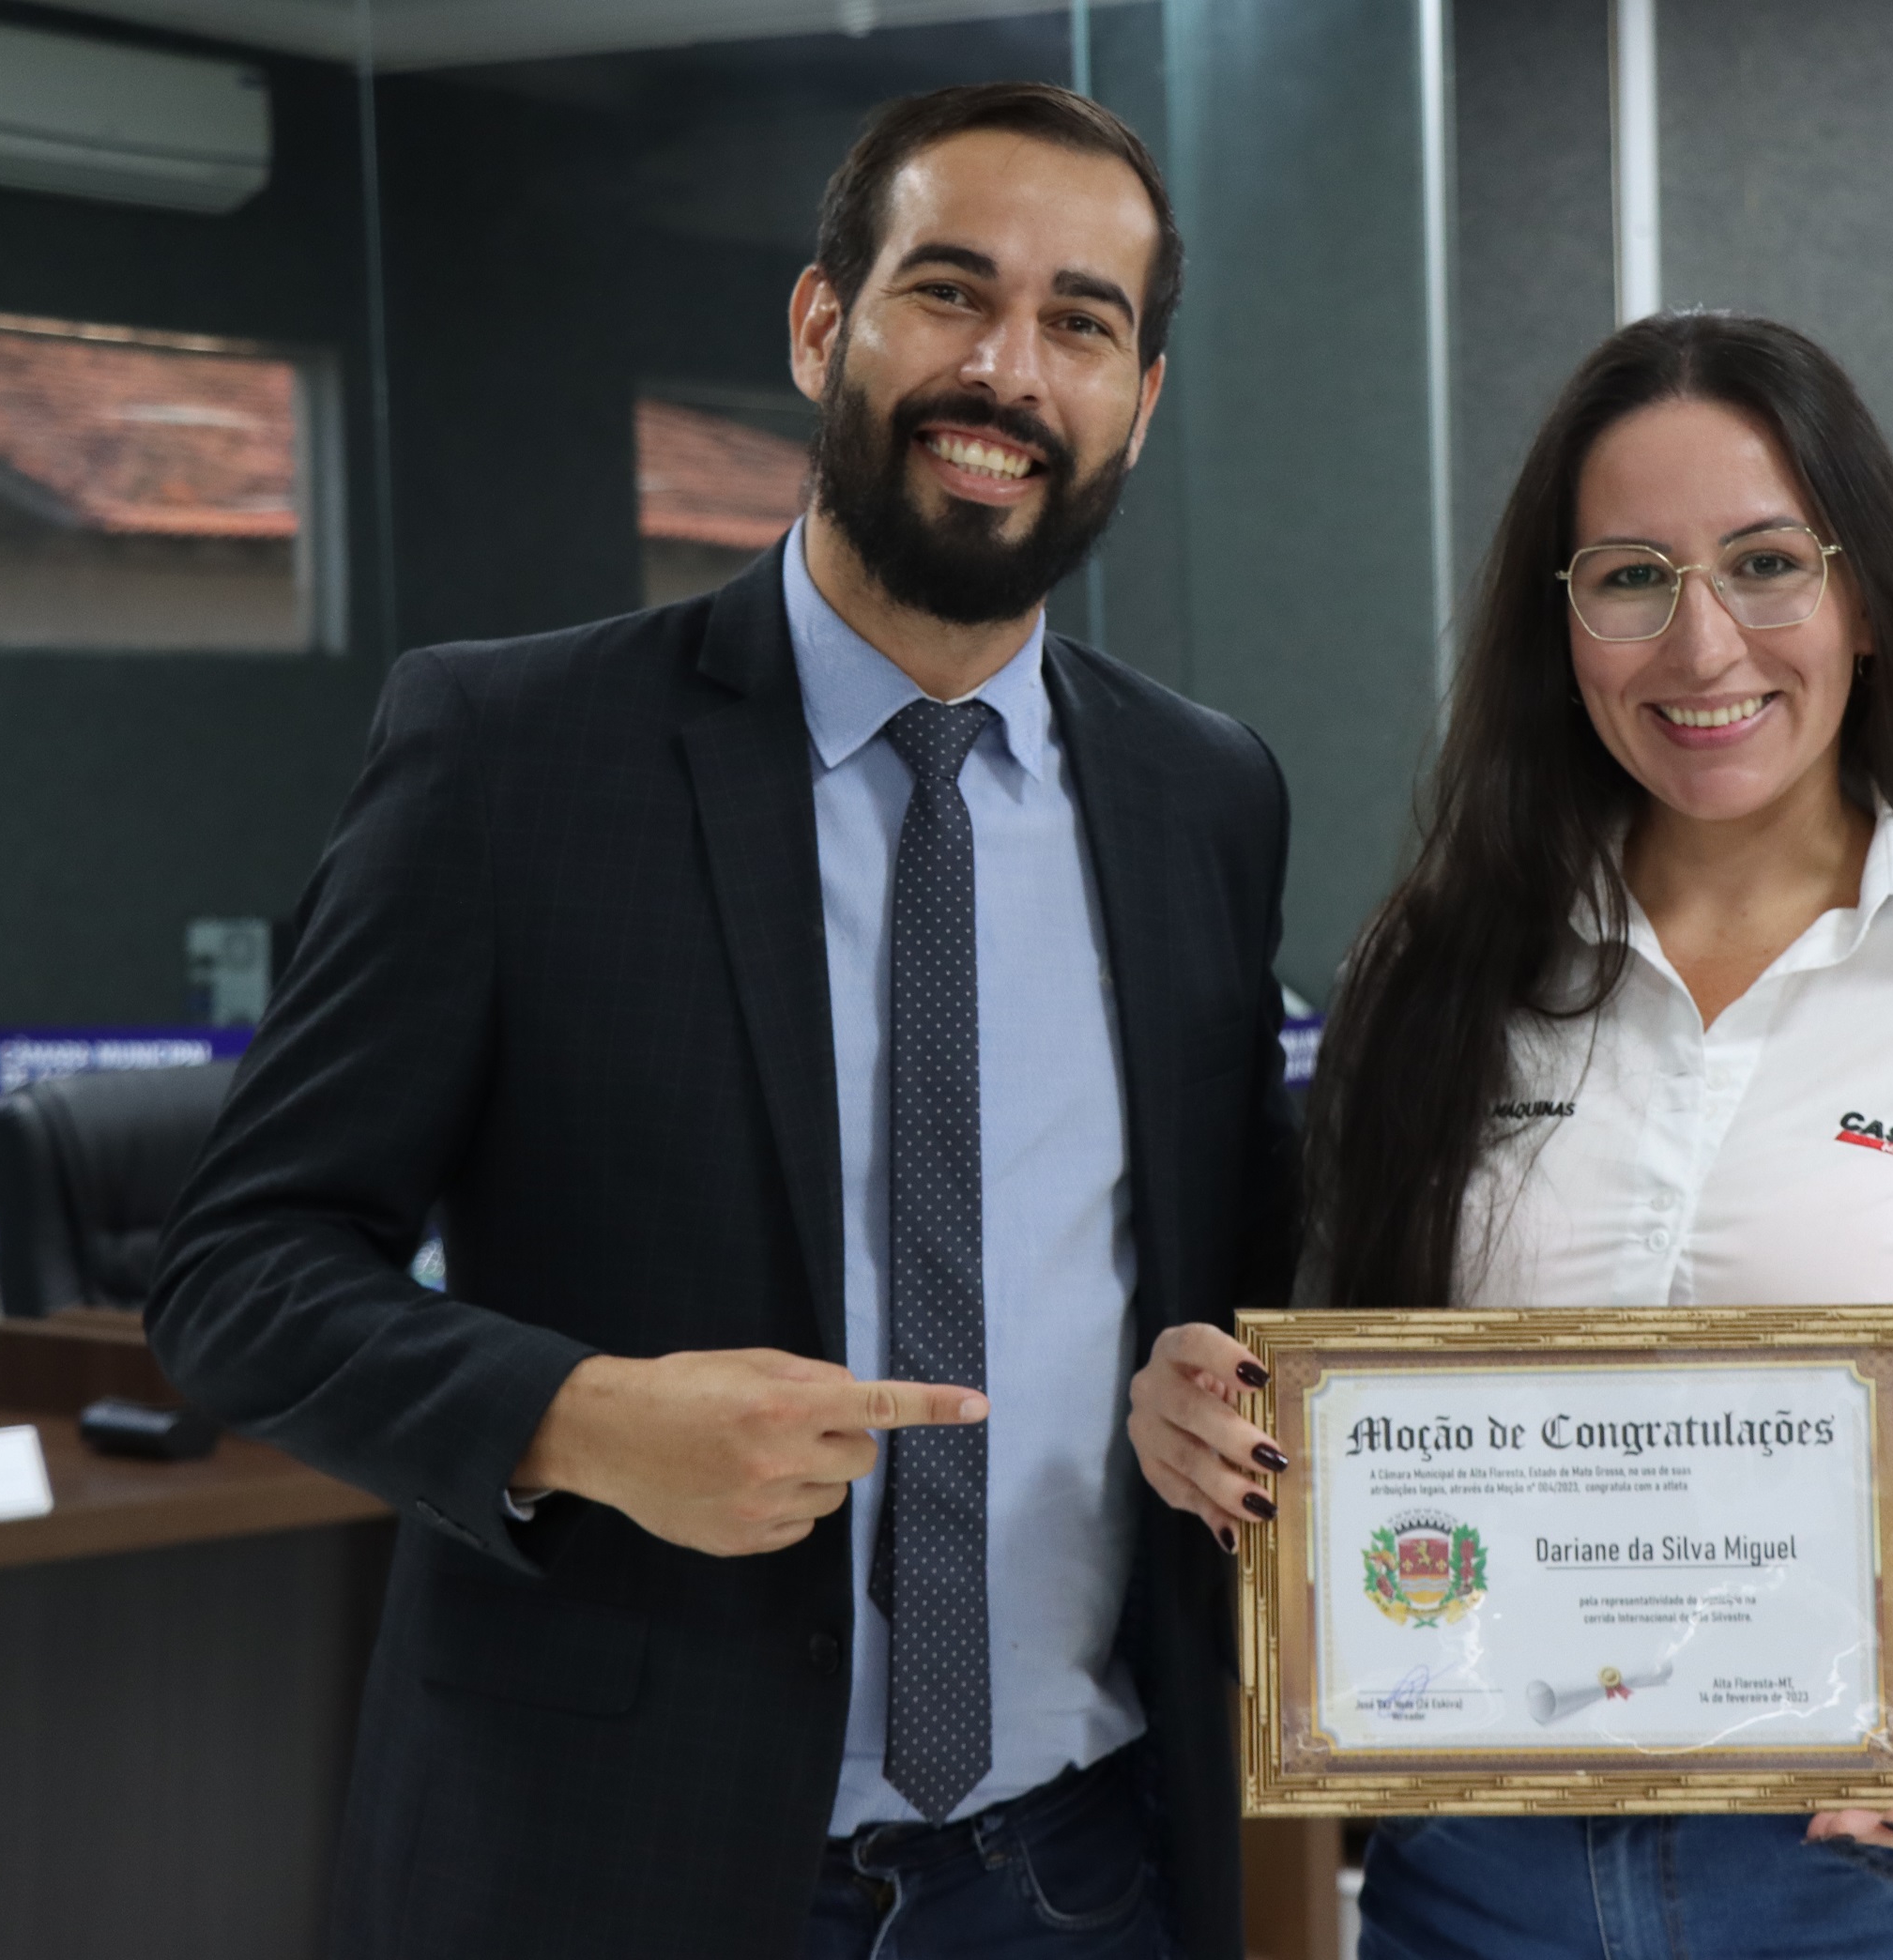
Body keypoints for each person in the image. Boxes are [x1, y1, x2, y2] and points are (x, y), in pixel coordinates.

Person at [148, 84, 1294, 1960]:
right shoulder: (511, 758)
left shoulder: (1205, 794)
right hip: (611, 1870)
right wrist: (579, 1419)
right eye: (949, 291)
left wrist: (1225, 1368)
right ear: (820, 323)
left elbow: (1225, 1250)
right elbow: (240, 1269)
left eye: (1081, 322)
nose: (1007, 369)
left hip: (1085, 1876)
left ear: (1140, 400)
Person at [1126, 312, 1893, 1957]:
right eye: (1630, 577)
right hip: (1490, 1895)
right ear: (1559, 627)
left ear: (1867, 600)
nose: (1703, 646)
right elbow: (1344, 1424)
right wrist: (1212, 1433)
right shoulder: (1434, 976)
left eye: (1767, 562)